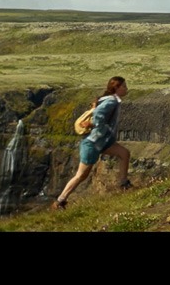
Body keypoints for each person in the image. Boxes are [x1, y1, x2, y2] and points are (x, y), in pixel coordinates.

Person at [52, 76, 132, 210]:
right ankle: (60, 201)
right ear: (116, 88)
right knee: (81, 175)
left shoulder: (110, 99)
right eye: (124, 86)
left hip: (103, 142)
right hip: (93, 143)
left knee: (124, 153)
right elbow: (99, 114)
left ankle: (123, 184)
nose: (126, 89)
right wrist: (95, 124)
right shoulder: (111, 101)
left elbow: (97, 110)